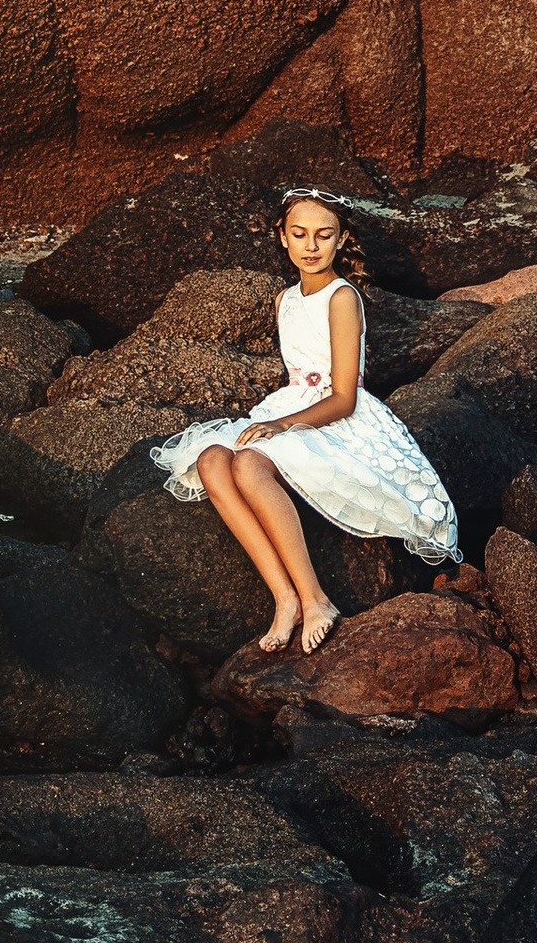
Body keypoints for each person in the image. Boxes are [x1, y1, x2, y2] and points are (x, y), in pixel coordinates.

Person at [153, 191, 460, 656]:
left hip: (337, 418)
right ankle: (285, 598)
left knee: (251, 465)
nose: (311, 245)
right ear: (282, 237)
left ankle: (316, 599)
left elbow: (343, 397)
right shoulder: (286, 300)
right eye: (299, 234)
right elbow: (297, 375)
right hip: (290, 404)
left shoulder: (342, 298)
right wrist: (277, 419)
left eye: (323, 235)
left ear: (341, 241)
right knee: (214, 459)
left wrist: (282, 427)